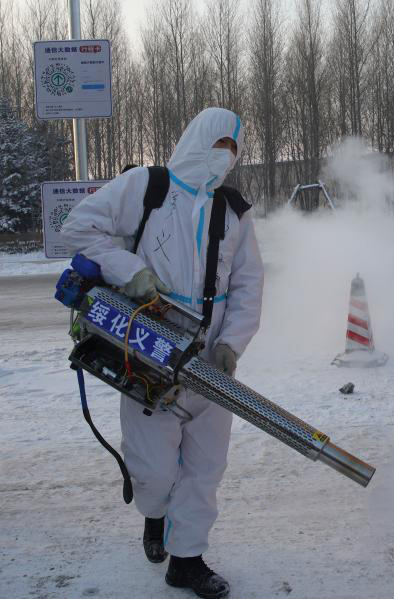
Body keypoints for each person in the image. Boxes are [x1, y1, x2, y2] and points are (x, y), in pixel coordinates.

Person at [62, 107, 263, 598]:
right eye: (219, 145)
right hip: (148, 350)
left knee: (205, 467)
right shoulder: (146, 188)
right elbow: (78, 227)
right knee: (153, 472)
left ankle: (187, 561)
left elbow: (249, 284)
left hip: (209, 360)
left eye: (233, 150)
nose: (225, 157)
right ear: (197, 140)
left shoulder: (234, 211)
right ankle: (156, 515)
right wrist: (128, 269)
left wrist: (231, 344)